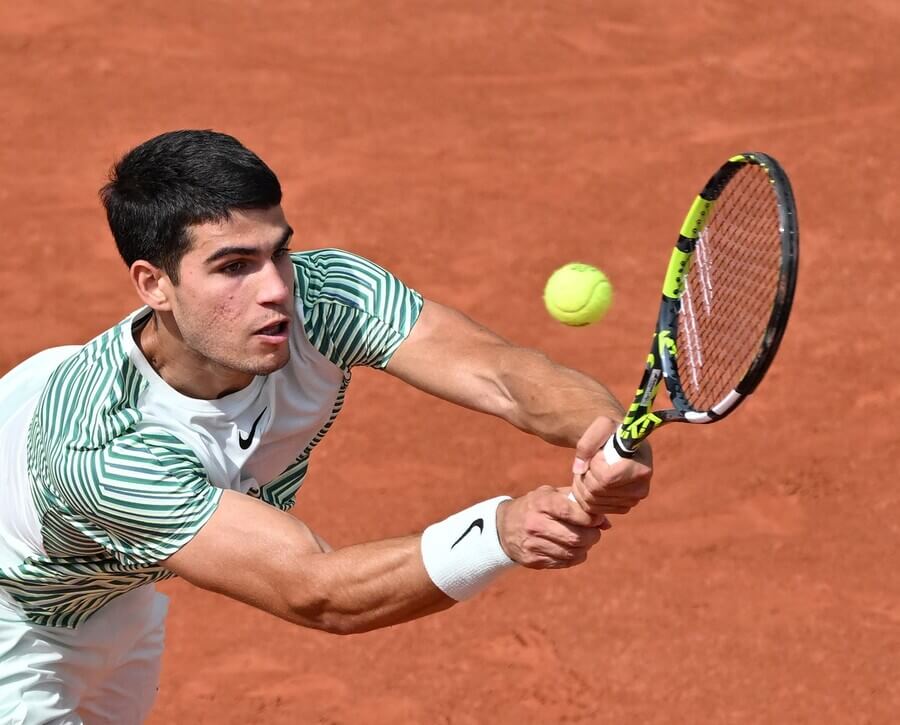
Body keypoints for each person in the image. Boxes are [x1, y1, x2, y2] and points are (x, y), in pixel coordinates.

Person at [0, 130, 652, 724]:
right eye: (233, 267)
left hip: (116, 594)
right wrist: (501, 531)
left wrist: (604, 432)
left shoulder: (322, 297)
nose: (275, 289)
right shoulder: (103, 447)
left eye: (277, 253)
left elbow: (499, 370)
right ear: (154, 285)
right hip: (16, 615)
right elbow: (316, 591)